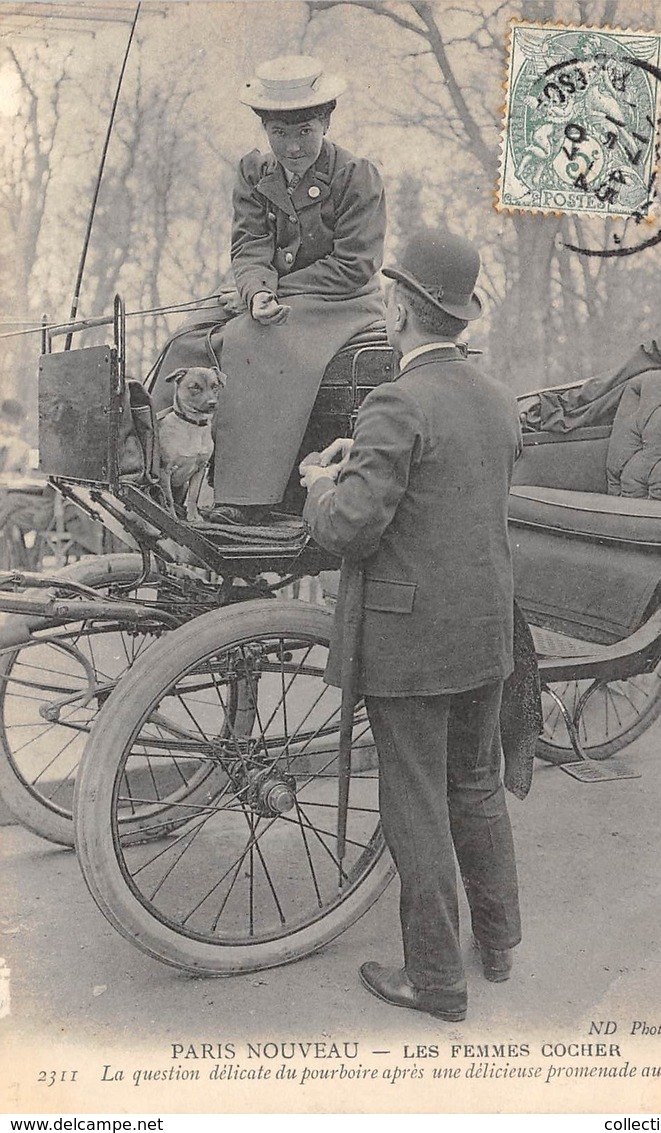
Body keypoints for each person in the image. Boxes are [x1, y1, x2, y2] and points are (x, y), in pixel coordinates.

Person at [300, 229, 523, 1022]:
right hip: (488, 633)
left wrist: (323, 485)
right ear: (457, 316)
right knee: (476, 787)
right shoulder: (496, 398)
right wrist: (365, 452)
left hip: (413, 642)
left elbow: (352, 527)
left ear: (397, 309)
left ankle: (434, 980)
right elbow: (450, 480)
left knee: (418, 804)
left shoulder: (393, 400)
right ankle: (496, 945)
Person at [152, 54, 386, 525]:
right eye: (279, 134)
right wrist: (255, 291)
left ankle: (245, 497)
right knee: (189, 339)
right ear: (264, 130)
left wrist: (270, 296)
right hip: (272, 293)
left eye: (304, 132)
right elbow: (250, 243)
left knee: (248, 341)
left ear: (325, 121)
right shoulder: (254, 172)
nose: (292, 146)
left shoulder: (356, 175)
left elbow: (355, 264)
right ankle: (157, 469)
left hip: (342, 299)